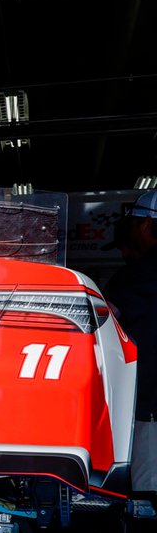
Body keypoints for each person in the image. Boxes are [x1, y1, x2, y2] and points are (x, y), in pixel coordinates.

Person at [105, 190, 157, 501]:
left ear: (146, 226)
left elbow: (105, 335)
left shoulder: (134, 278)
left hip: (149, 409)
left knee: (147, 498)